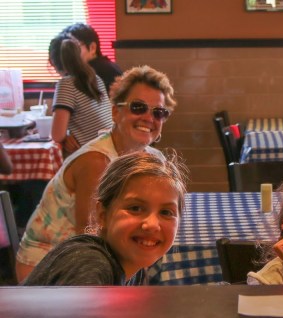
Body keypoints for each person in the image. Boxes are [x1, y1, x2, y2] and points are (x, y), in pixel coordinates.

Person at [15, 65, 177, 283]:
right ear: (115, 112)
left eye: (159, 112)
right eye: (138, 107)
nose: (149, 117)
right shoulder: (96, 162)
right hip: (56, 270)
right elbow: (90, 236)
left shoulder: (153, 159)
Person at [22, 150, 187, 286]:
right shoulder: (90, 264)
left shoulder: (133, 269)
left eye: (166, 212)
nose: (152, 224)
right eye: (135, 208)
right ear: (102, 215)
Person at [48, 34, 113, 155]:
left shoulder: (66, 84)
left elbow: (57, 135)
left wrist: (65, 135)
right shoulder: (95, 78)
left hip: (95, 154)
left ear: (52, 62)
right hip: (110, 148)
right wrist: (68, 133)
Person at [62, 23, 123, 91]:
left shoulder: (94, 73)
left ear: (92, 48)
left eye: (75, 47)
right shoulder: (110, 66)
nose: (70, 52)